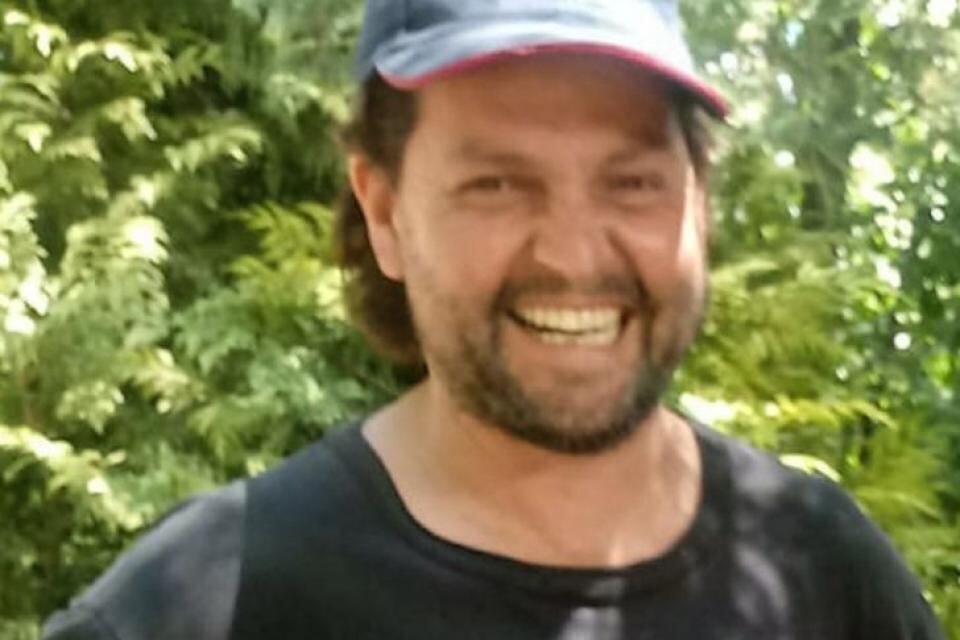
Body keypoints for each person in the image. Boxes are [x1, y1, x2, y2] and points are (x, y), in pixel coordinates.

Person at [43, 1, 946, 639]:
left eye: (632, 183)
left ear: (699, 202)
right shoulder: (208, 604)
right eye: (497, 184)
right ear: (384, 211)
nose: (573, 255)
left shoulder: (824, 573)